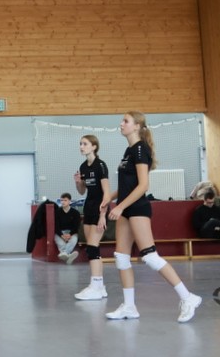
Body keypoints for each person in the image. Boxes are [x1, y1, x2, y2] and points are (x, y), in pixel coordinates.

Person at [103, 111, 201, 323]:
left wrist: (120, 207)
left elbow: (143, 186)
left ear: (137, 126)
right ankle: (129, 306)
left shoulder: (140, 149)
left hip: (137, 208)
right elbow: (126, 186)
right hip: (125, 209)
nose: (121, 124)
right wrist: (109, 198)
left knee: (149, 256)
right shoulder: (129, 150)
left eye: (126, 121)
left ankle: (188, 297)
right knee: (121, 257)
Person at [73, 135, 111, 300]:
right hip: (88, 208)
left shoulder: (100, 165)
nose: (81, 146)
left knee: (93, 247)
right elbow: (82, 191)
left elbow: (107, 193)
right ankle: (99, 287)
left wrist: (103, 215)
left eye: (85, 144)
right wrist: (78, 182)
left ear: (94, 147)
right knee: (91, 249)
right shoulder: (83, 166)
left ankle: (95, 286)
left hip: (99, 209)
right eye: (80, 144)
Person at [54, 193, 81, 265]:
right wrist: (61, 235)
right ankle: (68, 256)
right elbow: (56, 226)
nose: (63, 202)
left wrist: (70, 234)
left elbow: (76, 226)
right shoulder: (57, 212)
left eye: (65, 200)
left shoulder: (75, 213)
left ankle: (64, 253)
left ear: (69, 201)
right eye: (61, 200)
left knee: (74, 240)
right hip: (60, 232)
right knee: (59, 241)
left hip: (72, 232)